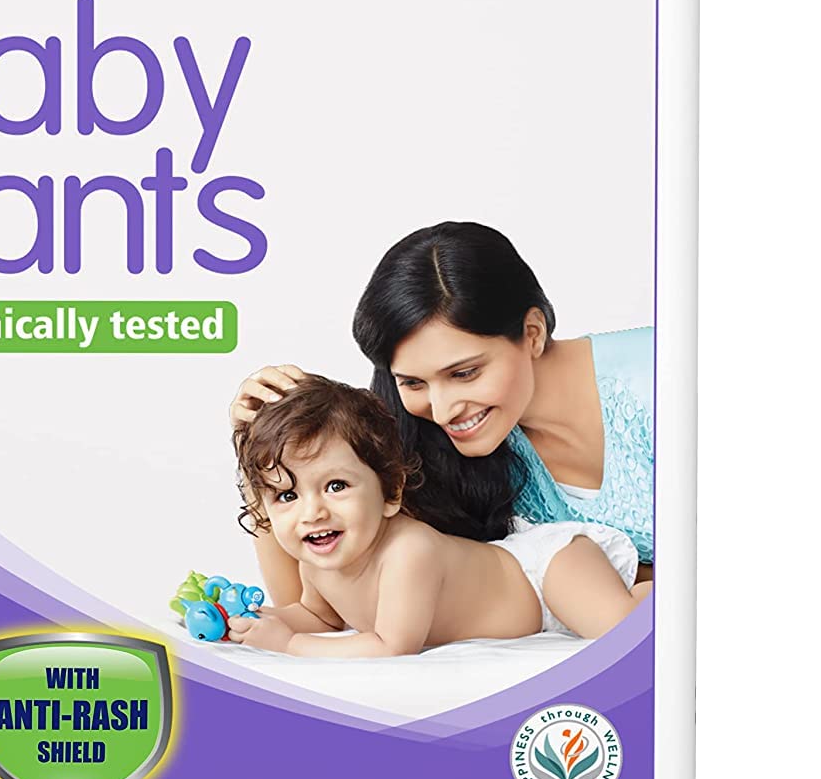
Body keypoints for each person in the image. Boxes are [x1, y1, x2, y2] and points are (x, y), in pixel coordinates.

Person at [230, 222, 653, 608]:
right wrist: (259, 449)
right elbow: (307, 606)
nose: (444, 410)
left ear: (532, 333)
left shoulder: (661, 381)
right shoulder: (443, 446)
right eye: (414, 382)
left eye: (464, 373)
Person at [226, 375, 646, 656]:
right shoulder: (318, 560)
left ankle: (666, 588)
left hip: (545, 572)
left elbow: (391, 646)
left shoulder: (408, 551)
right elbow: (319, 616)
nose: (313, 512)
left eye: (336, 486)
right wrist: (253, 622)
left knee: (620, 629)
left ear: (391, 493)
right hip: (527, 580)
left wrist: (289, 645)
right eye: (287, 495)